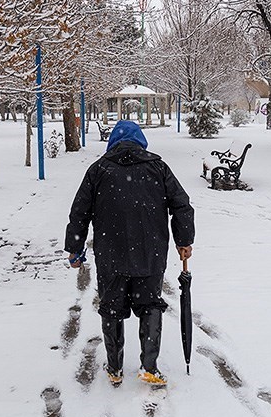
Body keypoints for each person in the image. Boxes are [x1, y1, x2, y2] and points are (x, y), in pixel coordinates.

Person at [65, 120, 194, 387]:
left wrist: (75, 249)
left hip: (111, 255)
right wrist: (184, 241)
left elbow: (80, 212)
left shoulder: (98, 170)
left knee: (111, 308)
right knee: (149, 305)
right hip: (150, 253)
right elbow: (181, 205)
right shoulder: (158, 168)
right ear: (141, 141)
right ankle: (149, 367)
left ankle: (114, 368)